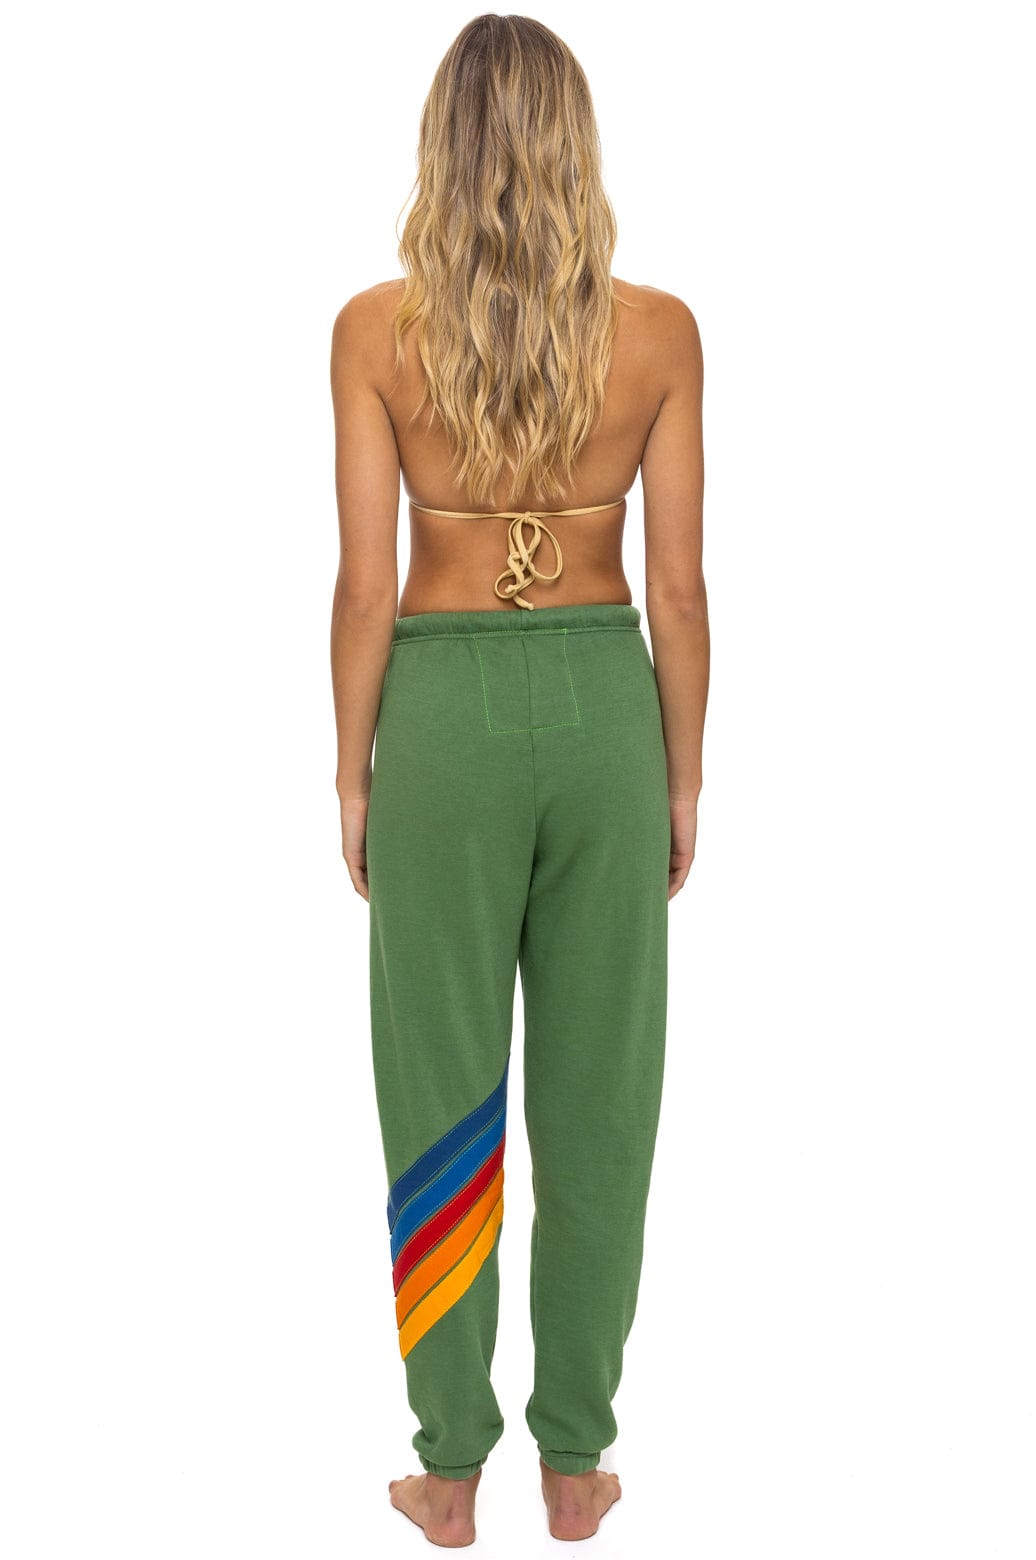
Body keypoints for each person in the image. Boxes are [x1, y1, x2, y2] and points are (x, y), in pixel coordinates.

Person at [329, 14, 708, 1546]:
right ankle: (575, 1462)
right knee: (601, 1098)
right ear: (576, 144)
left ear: (444, 145)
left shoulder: (374, 333)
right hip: (610, 708)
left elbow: (366, 585)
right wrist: (682, 776)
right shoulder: (660, 335)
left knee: (442, 1093)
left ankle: (447, 1468)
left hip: (438, 718)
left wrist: (353, 773)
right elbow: (677, 589)